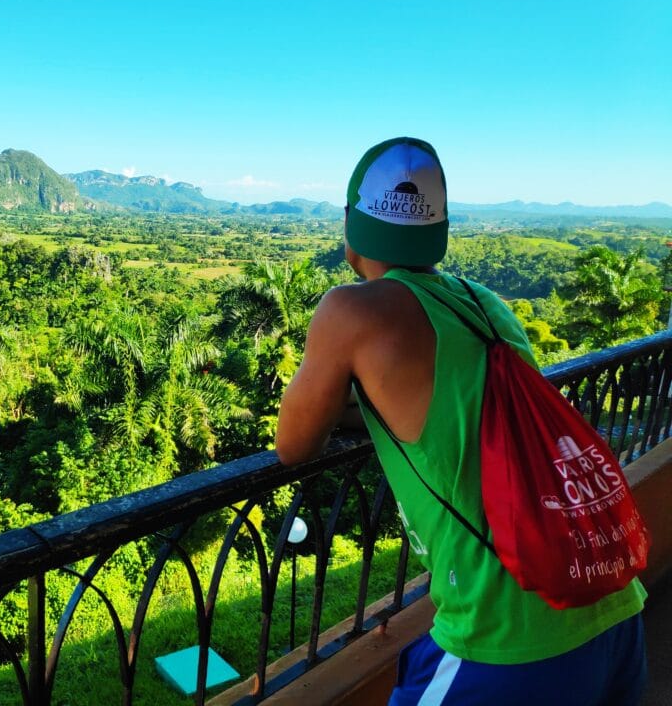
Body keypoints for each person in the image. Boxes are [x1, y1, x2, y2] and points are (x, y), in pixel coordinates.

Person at [274, 137, 647, 705]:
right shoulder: (485, 304)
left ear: (351, 224)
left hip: (509, 631)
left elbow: (293, 445)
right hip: (609, 603)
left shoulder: (349, 310)